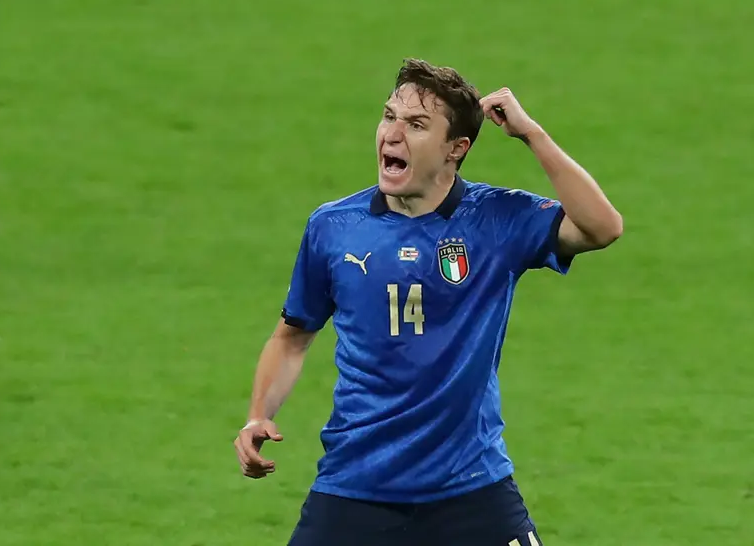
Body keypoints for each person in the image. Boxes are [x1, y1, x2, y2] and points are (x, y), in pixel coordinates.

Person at [233, 58, 623, 546]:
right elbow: (291, 337)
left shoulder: (496, 220)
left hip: (471, 488)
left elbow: (602, 227)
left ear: (455, 149)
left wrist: (532, 135)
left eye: (416, 125)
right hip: (357, 485)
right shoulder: (333, 227)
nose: (392, 135)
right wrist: (257, 413)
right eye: (389, 116)